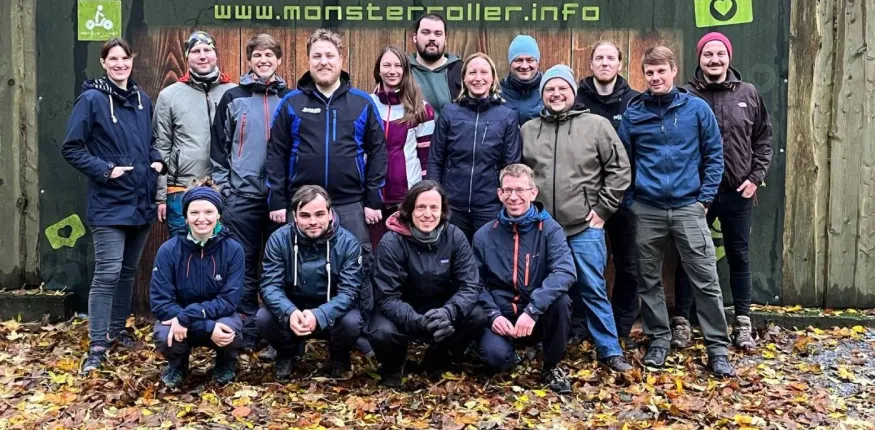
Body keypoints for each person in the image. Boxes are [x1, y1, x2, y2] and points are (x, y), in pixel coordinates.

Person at [618, 46, 735, 377]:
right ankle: (659, 339)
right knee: (648, 278)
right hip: (647, 209)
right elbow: (622, 162)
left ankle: (717, 348)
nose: (655, 77)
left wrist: (703, 200)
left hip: (688, 207)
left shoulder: (695, 109)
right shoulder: (634, 113)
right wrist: (630, 202)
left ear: (673, 71)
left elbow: (714, 155)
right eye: (650, 72)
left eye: (661, 71)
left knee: (706, 279)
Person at [62, 38, 165, 373]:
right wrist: (107, 170)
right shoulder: (91, 99)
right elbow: (72, 148)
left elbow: (147, 144)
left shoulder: (141, 100)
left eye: (125, 58)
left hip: (141, 200)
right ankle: (97, 345)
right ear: (103, 63)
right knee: (107, 272)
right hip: (109, 201)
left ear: (132, 61)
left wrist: (157, 161)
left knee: (127, 272)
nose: (120, 64)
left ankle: (118, 329)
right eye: (113, 59)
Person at [521, 65, 633, 372]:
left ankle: (609, 349)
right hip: (542, 227)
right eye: (549, 90)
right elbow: (519, 175)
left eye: (562, 89)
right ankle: (541, 344)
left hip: (584, 224)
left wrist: (603, 209)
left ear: (573, 92)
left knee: (592, 286)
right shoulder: (529, 130)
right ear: (542, 95)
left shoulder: (596, 125)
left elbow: (619, 169)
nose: (556, 94)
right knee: (540, 287)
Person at [672, 32, 773, 351]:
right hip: (696, 195)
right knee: (688, 258)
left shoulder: (749, 93)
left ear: (729, 57)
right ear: (699, 59)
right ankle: (681, 324)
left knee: (739, 256)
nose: (714, 60)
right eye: (707, 55)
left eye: (720, 54)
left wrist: (755, 177)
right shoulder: (685, 95)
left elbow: (763, 140)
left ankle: (742, 323)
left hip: (737, 193)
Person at [266, 28, 387, 276]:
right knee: (297, 267)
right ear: (308, 60)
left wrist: (374, 199)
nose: (324, 62)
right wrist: (277, 200)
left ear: (341, 60)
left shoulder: (362, 102)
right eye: (317, 56)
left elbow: (378, 152)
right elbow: (276, 153)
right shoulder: (291, 102)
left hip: (350, 203)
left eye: (330, 56)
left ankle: (358, 315)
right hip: (301, 205)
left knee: (358, 267)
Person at [210, 33, 291, 350]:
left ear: (279, 60)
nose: (264, 60)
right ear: (249, 60)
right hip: (241, 199)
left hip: (278, 201)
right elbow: (218, 149)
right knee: (242, 266)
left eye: (270, 55)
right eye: (258, 55)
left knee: (277, 269)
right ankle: (246, 332)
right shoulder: (233, 97)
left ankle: (275, 332)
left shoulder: (291, 98)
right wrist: (226, 191)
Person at [367, 180, 483, 388]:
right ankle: (393, 366)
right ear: (410, 209)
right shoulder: (391, 241)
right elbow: (386, 296)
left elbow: (470, 285)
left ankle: (438, 360)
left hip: (441, 309)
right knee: (380, 330)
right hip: (402, 309)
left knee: (476, 315)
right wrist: (418, 321)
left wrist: (448, 312)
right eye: (421, 207)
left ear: (443, 211)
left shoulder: (455, 236)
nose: (427, 214)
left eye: (433, 208)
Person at [474, 164, 577, 393]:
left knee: (562, 302)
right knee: (496, 360)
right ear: (499, 194)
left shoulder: (550, 230)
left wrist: (533, 310)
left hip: (536, 314)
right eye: (508, 190)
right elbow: (474, 283)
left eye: (520, 190)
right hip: (502, 314)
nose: (514, 197)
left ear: (533, 192)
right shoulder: (484, 235)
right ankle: (507, 353)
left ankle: (551, 364)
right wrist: (492, 314)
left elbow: (565, 271)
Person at [256, 185, 365, 381]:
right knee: (264, 318)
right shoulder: (278, 240)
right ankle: (287, 353)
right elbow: (269, 286)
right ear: (295, 216)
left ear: (330, 214)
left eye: (319, 214)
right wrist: (289, 312)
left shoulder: (348, 243)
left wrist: (321, 314)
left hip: (332, 309)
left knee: (353, 322)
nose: (313, 221)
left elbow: (350, 292)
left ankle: (339, 355)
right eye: (305, 215)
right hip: (294, 308)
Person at [574, 41, 641, 349]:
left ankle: (622, 323)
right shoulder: (576, 100)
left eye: (610, 58)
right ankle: (582, 324)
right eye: (599, 57)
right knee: (586, 264)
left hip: (625, 197)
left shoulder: (634, 102)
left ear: (619, 64)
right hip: (586, 199)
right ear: (591, 64)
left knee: (628, 264)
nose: (604, 62)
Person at [150, 182, 245, 388]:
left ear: (218, 214)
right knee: (165, 334)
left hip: (216, 316)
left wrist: (189, 317)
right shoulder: (168, 250)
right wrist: (202, 325)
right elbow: (160, 302)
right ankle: (178, 365)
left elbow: (229, 301)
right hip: (179, 318)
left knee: (230, 331)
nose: (201, 218)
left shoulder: (233, 250)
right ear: (186, 216)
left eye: (208, 211)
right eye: (194, 212)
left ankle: (224, 363)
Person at [427, 52, 522, 241]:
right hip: (452, 205)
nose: (478, 78)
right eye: (472, 73)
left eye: (484, 72)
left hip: (490, 206)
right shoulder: (450, 113)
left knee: (487, 262)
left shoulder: (507, 116)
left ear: (493, 78)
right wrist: (436, 197)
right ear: (464, 78)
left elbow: (511, 165)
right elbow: (436, 159)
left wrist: (505, 200)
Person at [154, 30, 236, 237]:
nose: (202, 55)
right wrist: (160, 197)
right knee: (183, 255)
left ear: (216, 55)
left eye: (207, 50)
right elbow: (160, 147)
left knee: (220, 255)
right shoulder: (169, 96)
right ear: (187, 57)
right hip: (181, 190)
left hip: (224, 190)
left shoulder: (234, 93)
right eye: (196, 51)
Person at [368, 45, 436, 250]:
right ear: (378, 70)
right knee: (375, 252)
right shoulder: (366, 104)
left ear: (406, 70)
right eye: (386, 65)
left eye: (398, 65)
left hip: (406, 196)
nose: (392, 70)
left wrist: (422, 195)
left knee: (405, 253)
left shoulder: (422, 109)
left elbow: (426, 157)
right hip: (373, 197)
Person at [408, 13, 463, 117]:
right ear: (415, 37)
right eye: (426, 33)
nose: (432, 38)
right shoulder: (402, 69)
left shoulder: (461, 70)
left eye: (438, 34)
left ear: (445, 39)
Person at [500, 35, 543, 125]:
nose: (524, 66)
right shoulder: (499, 93)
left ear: (537, 63)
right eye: (518, 60)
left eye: (529, 60)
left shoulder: (549, 90)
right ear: (510, 63)